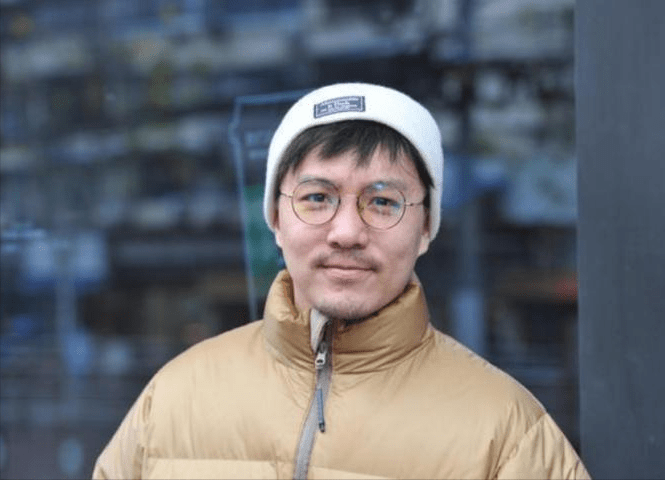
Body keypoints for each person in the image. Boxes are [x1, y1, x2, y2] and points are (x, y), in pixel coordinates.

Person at [93, 83, 590, 479]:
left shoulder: (508, 435)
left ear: (425, 229)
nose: (347, 232)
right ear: (275, 219)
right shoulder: (172, 401)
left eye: (383, 202)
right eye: (317, 198)